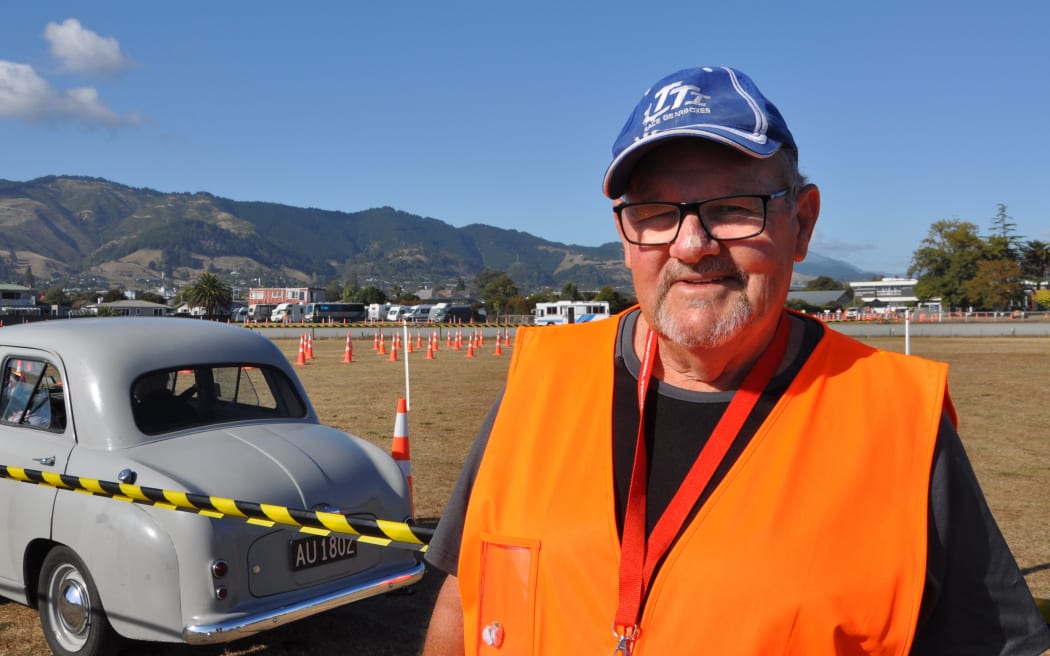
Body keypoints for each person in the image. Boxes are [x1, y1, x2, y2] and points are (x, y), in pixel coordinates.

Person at [421, 66, 1050, 655]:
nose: (691, 245)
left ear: (801, 224)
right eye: (655, 212)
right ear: (624, 235)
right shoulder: (538, 380)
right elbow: (464, 596)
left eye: (732, 208)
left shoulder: (898, 422)